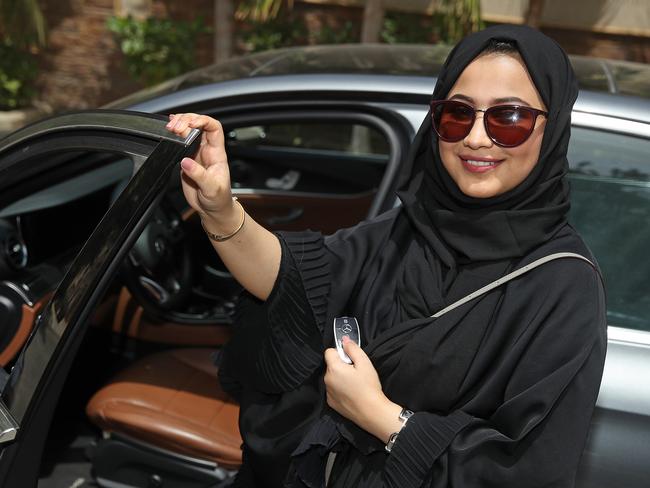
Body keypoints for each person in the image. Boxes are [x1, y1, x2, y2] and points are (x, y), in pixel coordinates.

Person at [166, 24, 607, 488]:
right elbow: (293, 279)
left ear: (550, 126)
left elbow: (531, 471)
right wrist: (220, 209)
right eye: (457, 114)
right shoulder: (411, 225)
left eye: (508, 119)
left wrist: (384, 419)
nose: (476, 138)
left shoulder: (565, 286)